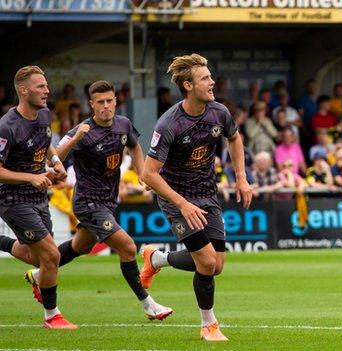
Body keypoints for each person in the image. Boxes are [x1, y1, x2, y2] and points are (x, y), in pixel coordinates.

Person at [23, 80, 173, 320]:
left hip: (108, 201)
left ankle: (40, 275)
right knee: (128, 246)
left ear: (115, 101)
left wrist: (142, 170)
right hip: (88, 203)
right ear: (91, 105)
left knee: (80, 246)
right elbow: (53, 159)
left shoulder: (123, 124)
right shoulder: (82, 131)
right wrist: (74, 138)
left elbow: (134, 146)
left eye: (109, 101)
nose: (106, 106)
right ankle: (149, 305)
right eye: (100, 102)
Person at [140, 53, 252, 342]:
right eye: (205, 78)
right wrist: (181, 203)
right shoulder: (169, 124)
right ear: (188, 86)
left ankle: (157, 259)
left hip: (207, 194)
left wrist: (241, 177)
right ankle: (208, 325)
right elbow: (148, 174)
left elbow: (235, 138)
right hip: (177, 199)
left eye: (210, 76)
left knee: (217, 265)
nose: (212, 81)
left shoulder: (219, 112)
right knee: (205, 262)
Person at [0, 66, 76, 329]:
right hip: (12, 198)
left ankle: (1, 243)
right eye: (40, 86)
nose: (47, 91)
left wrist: (55, 163)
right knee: (52, 256)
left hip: (38, 195)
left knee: (39, 259)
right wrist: (31, 177)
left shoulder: (44, 115)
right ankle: (52, 316)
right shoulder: (7, 127)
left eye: (46, 85)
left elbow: (46, 145)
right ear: (24, 90)